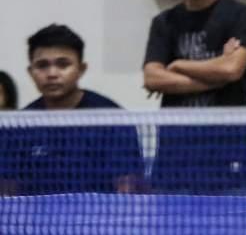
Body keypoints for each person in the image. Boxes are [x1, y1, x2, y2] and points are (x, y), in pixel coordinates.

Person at [142, 0, 246, 193]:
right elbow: (152, 77)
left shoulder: (240, 16)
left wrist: (179, 65)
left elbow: (232, 70)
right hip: (173, 160)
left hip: (227, 156)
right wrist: (216, 74)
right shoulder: (163, 23)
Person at [0, 24, 144, 195]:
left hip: (98, 211)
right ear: (31, 72)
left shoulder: (113, 120)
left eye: (63, 64)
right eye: (42, 65)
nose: (52, 74)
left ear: (81, 69)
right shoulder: (19, 125)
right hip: (36, 212)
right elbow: (7, 192)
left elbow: (128, 190)